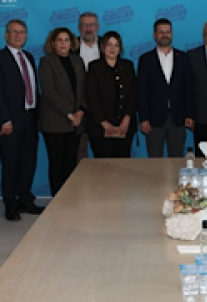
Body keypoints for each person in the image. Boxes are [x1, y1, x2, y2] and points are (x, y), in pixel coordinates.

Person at [0, 19, 44, 221]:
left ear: (26, 35)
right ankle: (10, 204)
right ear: (6, 35)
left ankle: (25, 200)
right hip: (10, 121)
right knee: (10, 164)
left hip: (30, 118)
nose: (18, 35)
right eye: (14, 32)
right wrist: (5, 120)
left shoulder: (29, 57)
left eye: (22, 32)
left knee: (28, 162)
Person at [38, 27, 86, 196]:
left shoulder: (77, 61)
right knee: (57, 164)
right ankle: (57, 200)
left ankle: (70, 199)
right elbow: (49, 91)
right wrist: (68, 113)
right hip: (55, 122)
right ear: (53, 43)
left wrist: (81, 111)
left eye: (66, 40)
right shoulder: (46, 62)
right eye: (59, 40)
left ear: (72, 43)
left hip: (75, 122)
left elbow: (83, 89)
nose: (63, 43)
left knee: (71, 163)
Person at [137, 18, 192, 157]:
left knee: (177, 158)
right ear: (154, 34)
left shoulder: (183, 58)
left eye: (167, 32)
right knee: (155, 159)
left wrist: (189, 115)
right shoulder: (146, 60)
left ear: (172, 34)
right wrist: (143, 118)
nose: (164, 35)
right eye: (161, 32)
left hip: (178, 118)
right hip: (153, 120)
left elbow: (188, 89)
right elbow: (142, 91)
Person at [85, 31, 137, 158]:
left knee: (123, 165)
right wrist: (104, 123)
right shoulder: (94, 67)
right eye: (109, 45)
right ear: (103, 47)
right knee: (104, 166)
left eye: (116, 45)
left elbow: (134, 94)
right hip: (100, 128)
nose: (112, 48)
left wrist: (127, 119)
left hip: (124, 126)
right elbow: (91, 97)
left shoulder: (128, 66)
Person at [75, 11, 101, 160]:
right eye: (85, 25)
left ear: (98, 27)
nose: (89, 29)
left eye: (92, 25)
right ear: (79, 28)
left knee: (104, 156)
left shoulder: (107, 45)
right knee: (79, 153)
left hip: (102, 110)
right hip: (78, 110)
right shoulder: (70, 47)